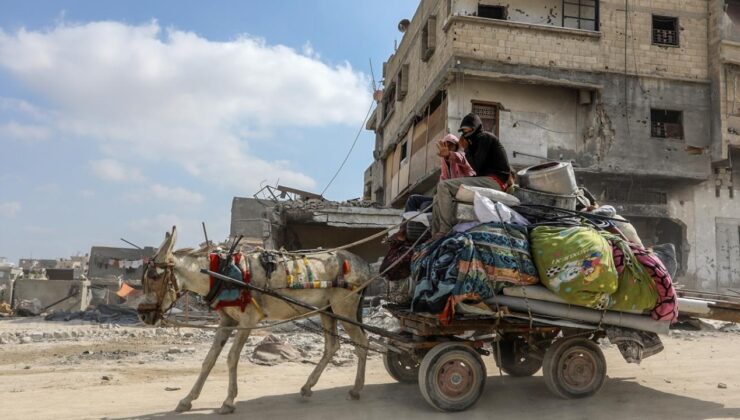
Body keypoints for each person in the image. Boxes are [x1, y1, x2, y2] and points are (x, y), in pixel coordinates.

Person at [430, 113, 512, 237]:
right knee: (438, 197)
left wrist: (466, 149)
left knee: (444, 186)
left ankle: (444, 230)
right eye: (463, 130)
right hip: (485, 179)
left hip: (495, 181)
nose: (465, 133)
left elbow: (476, 166)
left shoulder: (484, 137)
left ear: (476, 128)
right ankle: (434, 235)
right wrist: (449, 155)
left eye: (467, 129)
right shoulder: (474, 142)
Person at [404, 133, 476, 212]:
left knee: (425, 206)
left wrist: (449, 154)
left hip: (459, 199)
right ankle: (408, 224)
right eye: (445, 146)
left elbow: (461, 158)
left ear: (456, 146)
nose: (448, 148)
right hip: (445, 198)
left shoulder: (464, 157)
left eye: (451, 146)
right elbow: (442, 182)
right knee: (413, 199)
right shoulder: (444, 164)